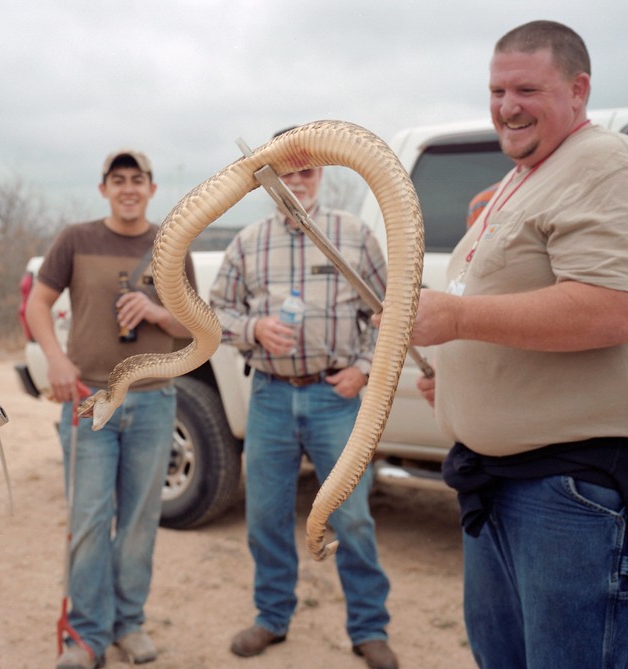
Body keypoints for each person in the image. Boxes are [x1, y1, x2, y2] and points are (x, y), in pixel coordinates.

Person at [410, 21, 628, 669]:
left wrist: (454, 318)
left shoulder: (599, 163)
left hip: (566, 497)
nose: (506, 106)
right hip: (502, 485)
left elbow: (610, 307)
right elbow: (517, 306)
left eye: (526, 88)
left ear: (578, 89)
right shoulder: (523, 176)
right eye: (497, 89)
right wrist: (457, 376)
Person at [208, 130, 399, 669]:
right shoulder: (248, 243)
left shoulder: (354, 236)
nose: (297, 183)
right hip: (269, 396)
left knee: (353, 517)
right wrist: (254, 327)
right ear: (269, 180)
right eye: (286, 174)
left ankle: (369, 628)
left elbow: (389, 313)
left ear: (322, 175)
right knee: (266, 515)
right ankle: (271, 617)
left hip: (335, 398)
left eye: (306, 172)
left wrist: (363, 369)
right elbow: (211, 314)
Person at [24, 150, 195, 669]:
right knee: (91, 519)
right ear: (103, 189)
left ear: (151, 188)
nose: (127, 188)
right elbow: (36, 303)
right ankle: (86, 634)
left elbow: (196, 327)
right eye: (117, 180)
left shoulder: (172, 245)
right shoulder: (75, 239)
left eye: (136, 180)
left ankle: (129, 624)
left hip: (153, 400)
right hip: (89, 402)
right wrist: (54, 359)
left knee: (140, 521)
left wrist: (159, 313)